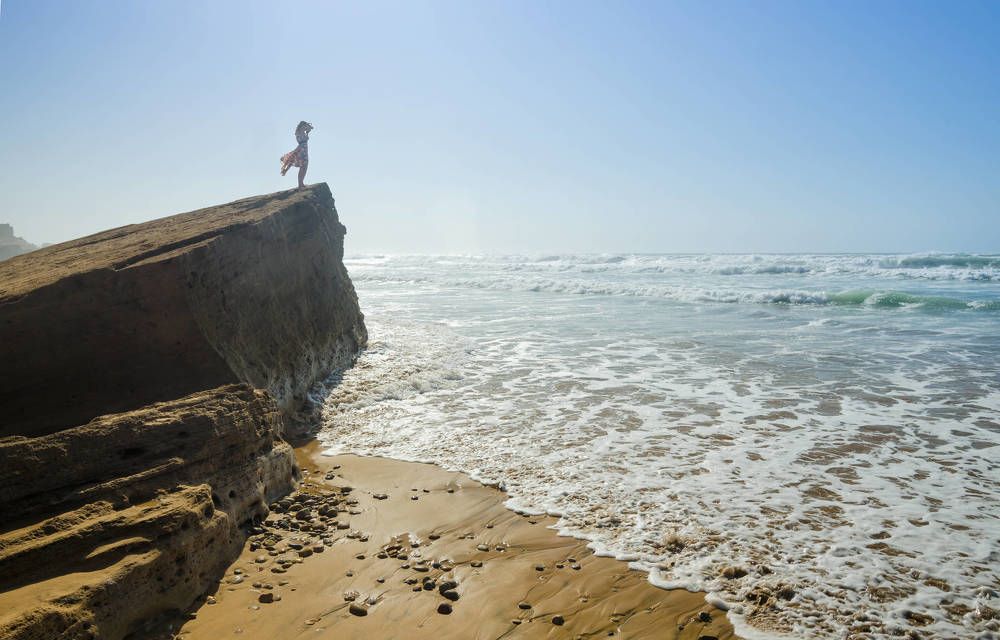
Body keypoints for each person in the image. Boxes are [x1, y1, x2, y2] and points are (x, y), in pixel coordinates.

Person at [280, 121, 313, 188]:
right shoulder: (298, 133)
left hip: (305, 149)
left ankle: (301, 183)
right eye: (305, 126)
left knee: (304, 167)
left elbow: (311, 128)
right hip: (301, 149)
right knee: (303, 165)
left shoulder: (303, 132)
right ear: (302, 126)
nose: (306, 128)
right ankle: (300, 183)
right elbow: (301, 141)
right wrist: (307, 130)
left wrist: (307, 132)